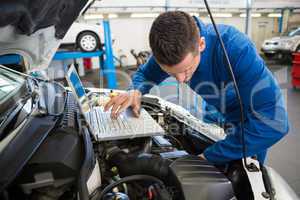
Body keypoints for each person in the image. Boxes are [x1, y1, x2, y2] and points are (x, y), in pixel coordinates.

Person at [104, 11, 289, 165]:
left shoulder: (236, 50)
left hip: (253, 117)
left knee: (247, 171)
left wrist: (207, 158)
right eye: (171, 73)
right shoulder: (171, 51)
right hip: (219, 110)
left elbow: (274, 124)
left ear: (201, 44)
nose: (181, 80)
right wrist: (135, 91)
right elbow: (146, 74)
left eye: (186, 70)